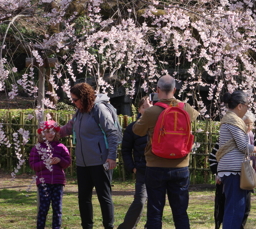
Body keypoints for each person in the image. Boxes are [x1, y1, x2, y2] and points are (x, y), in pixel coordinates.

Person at [132, 74, 200, 229]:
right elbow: (193, 121)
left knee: (155, 211)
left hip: (155, 164)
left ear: (157, 90)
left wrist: (145, 112)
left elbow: (137, 130)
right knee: (181, 212)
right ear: (175, 89)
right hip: (180, 165)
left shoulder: (151, 112)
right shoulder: (187, 109)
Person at [59, 82, 122, 229]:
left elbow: (112, 133)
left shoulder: (98, 109)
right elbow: (69, 128)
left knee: (104, 197)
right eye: (72, 100)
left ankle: (109, 226)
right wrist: (52, 132)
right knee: (83, 198)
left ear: (84, 97)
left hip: (100, 161)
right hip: (83, 163)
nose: (73, 103)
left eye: (75, 100)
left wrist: (112, 157)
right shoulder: (79, 112)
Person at [215, 91, 256, 229]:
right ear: (239, 106)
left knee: (237, 208)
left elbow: (239, 149)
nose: (247, 109)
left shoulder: (230, 120)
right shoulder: (233, 121)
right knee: (235, 209)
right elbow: (244, 147)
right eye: (247, 106)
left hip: (233, 168)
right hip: (233, 171)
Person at [209, 110, 256, 229]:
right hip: (231, 173)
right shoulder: (231, 136)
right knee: (233, 208)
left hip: (245, 175)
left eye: (251, 124)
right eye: (246, 124)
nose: (249, 127)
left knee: (244, 208)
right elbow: (214, 157)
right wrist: (218, 174)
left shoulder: (251, 136)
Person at [117, 93, 153, 229]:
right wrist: (132, 167)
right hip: (142, 170)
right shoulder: (133, 128)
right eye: (144, 107)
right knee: (140, 200)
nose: (147, 109)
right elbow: (125, 150)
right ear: (139, 109)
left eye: (150, 107)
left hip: (156, 169)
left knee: (154, 203)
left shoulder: (157, 125)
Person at [28, 120, 73, 229]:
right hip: (44, 182)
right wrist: (45, 162)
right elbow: (33, 165)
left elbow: (68, 162)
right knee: (43, 208)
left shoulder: (61, 147)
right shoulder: (37, 148)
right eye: (47, 131)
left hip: (58, 182)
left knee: (57, 208)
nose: (50, 134)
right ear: (42, 133)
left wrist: (60, 160)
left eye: (53, 131)